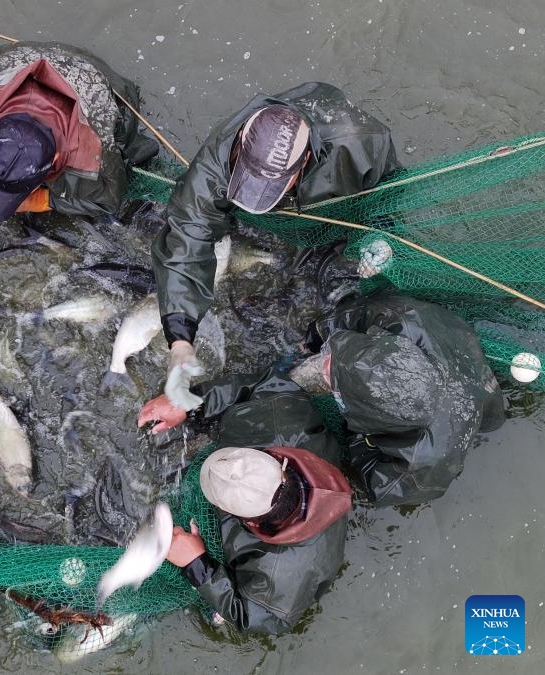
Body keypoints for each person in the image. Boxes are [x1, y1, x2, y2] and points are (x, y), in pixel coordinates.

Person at [151, 82, 401, 411]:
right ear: (241, 143)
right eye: (251, 180)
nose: (261, 192)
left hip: (329, 200)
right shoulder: (219, 159)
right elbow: (187, 235)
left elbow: (390, 189)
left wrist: (383, 233)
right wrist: (180, 339)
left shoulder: (359, 144)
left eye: (272, 186)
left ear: (306, 160)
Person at [141, 291, 506, 506]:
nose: (325, 362)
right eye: (338, 354)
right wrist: (316, 338)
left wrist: (358, 436)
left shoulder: (413, 472)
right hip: (457, 362)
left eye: (332, 371)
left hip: (471, 407)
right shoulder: (405, 319)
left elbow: (368, 479)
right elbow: (353, 317)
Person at [0, 41, 159, 248]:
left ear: (58, 157)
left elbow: (106, 200)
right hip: (29, 56)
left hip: (104, 86)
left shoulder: (91, 159)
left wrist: (42, 201)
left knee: (119, 158)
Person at [163, 374, 352, 634]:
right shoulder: (283, 423)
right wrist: (188, 403)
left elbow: (259, 619)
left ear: (250, 522)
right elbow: (264, 383)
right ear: (276, 462)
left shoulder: (281, 575)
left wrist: (197, 565)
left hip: (300, 570)